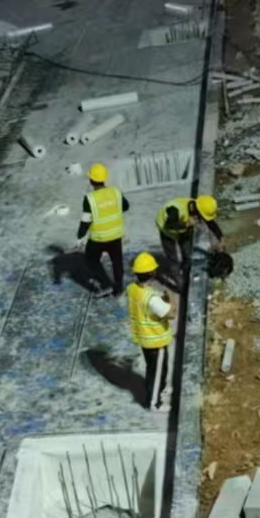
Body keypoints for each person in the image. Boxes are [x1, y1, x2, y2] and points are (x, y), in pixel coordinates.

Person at [127, 253, 175, 410]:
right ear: (153, 273)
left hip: (144, 338)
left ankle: (158, 390)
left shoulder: (132, 289)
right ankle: (155, 402)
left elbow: (145, 301)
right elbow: (171, 314)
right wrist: (171, 297)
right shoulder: (152, 299)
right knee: (158, 372)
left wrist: (157, 296)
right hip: (156, 341)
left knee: (153, 368)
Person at [76, 163, 130, 298]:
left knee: (91, 260)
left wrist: (80, 236)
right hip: (116, 235)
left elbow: (85, 221)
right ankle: (119, 289)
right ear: (104, 179)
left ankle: (106, 285)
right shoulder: (115, 192)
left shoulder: (90, 199)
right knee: (117, 262)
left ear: (91, 180)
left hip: (99, 238)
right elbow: (125, 206)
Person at [155, 194, 222, 278]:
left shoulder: (196, 207)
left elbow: (210, 222)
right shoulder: (176, 209)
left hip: (183, 227)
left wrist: (220, 238)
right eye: (201, 216)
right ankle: (177, 278)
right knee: (173, 258)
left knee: (187, 252)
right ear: (197, 210)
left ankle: (186, 272)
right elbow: (170, 225)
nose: (201, 219)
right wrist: (187, 224)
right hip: (167, 230)